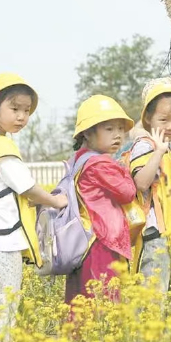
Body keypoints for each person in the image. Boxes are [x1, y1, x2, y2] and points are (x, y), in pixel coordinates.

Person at [0, 73, 67, 339]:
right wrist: (55, 201)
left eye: (26, 111)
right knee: (4, 309)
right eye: (14, 108)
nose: (21, 117)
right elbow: (27, 187)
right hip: (4, 242)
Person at [65, 95, 138, 303]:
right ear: (88, 133)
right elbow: (127, 193)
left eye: (120, 129)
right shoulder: (100, 164)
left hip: (83, 242)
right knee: (104, 301)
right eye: (109, 129)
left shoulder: (77, 160)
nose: (118, 135)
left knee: (82, 300)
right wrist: (125, 169)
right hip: (102, 242)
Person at [129, 83, 171, 291]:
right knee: (153, 296)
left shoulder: (168, 149)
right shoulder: (146, 145)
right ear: (148, 119)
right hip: (154, 235)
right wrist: (158, 152)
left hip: (169, 234)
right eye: (163, 120)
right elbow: (141, 183)